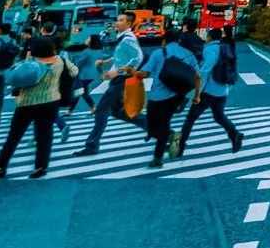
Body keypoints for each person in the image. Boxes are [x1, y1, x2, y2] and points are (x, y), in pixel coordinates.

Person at [0, 34, 71, 179]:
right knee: (45, 135)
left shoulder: (30, 63)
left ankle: (1, 166)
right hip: (50, 101)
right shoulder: (61, 61)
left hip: (26, 103)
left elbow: (15, 78)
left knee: (14, 135)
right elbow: (74, 72)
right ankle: (41, 166)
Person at [75, 24, 145, 155]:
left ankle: (92, 145)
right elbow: (121, 58)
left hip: (120, 79)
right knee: (119, 112)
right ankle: (159, 130)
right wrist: (106, 62)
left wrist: (117, 72)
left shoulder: (127, 39)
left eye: (121, 20)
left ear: (129, 23)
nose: (117, 23)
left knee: (102, 109)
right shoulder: (123, 38)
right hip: (119, 79)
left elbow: (137, 58)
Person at [177, 27, 246, 157]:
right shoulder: (226, 48)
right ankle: (234, 134)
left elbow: (205, 70)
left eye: (206, 36)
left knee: (190, 118)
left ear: (209, 37)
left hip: (208, 91)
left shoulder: (210, 49)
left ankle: (180, 145)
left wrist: (196, 92)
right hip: (223, 89)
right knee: (219, 116)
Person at [139, 29, 201, 169]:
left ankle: (170, 136)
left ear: (164, 40)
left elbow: (145, 73)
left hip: (158, 97)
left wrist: (134, 73)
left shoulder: (158, 53)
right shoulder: (188, 54)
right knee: (165, 123)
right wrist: (196, 95)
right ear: (179, 40)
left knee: (153, 128)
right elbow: (197, 76)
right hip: (177, 96)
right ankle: (158, 159)